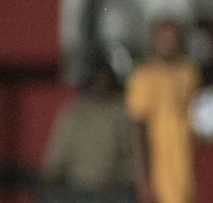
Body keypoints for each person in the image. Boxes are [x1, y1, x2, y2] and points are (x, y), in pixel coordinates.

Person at [126, 19, 200, 203]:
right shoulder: (143, 76)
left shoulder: (189, 72)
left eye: (172, 38)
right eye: (162, 38)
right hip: (159, 169)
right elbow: (138, 129)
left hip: (188, 167)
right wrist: (144, 180)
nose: (167, 43)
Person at [41, 62, 134, 200]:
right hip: (77, 187)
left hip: (114, 188)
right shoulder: (74, 113)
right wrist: (50, 175)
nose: (100, 84)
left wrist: (121, 178)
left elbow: (133, 155)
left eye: (105, 80)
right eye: (96, 80)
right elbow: (58, 153)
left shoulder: (122, 113)